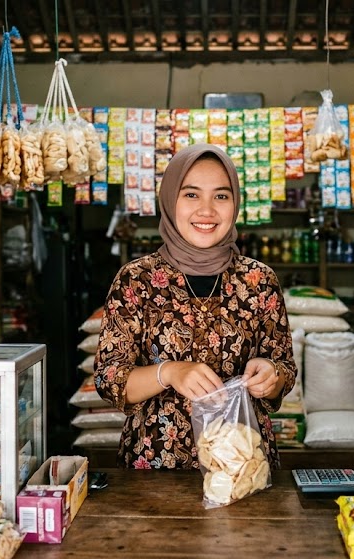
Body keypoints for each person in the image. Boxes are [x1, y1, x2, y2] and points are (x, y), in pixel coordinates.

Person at [95, 143, 297, 470]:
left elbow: (284, 367)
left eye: (221, 196)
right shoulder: (137, 280)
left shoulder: (259, 280)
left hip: (243, 467)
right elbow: (109, 378)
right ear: (170, 200)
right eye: (191, 195)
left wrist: (272, 376)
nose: (206, 210)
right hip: (156, 472)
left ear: (235, 204)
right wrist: (169, 371)